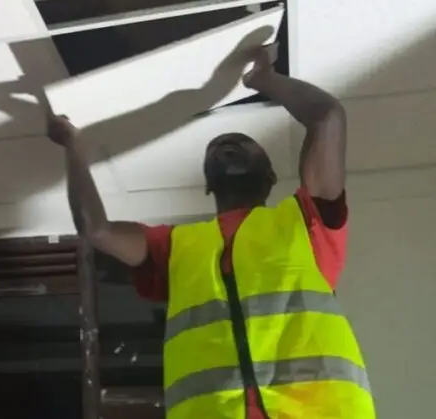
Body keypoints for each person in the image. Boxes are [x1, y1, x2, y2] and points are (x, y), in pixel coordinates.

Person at [47, 45, 374, 419]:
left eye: (242, 143)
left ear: (270, 176)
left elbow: (328, 118)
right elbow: (97, 229)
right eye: (218, 147)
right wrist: (73, 147)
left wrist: (264, 80)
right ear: (207, 185)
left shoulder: (306, 221)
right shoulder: (175, 247)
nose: (228, 144)